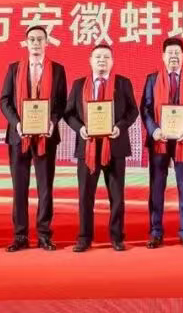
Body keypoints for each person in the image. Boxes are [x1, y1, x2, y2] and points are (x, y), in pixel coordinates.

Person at [64, 44, 139, 252]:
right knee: (85, 196)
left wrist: (119, 127)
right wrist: (80, 128)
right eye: (98, 57)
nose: (102, 60)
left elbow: (133, 111)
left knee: (117, 196)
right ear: (90, 61)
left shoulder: (122, 83)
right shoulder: (79, 84)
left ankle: (117, 237)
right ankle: (84, 238)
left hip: (115, 147)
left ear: (112, 61)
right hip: (87, 147)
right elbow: (68, 113)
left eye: (106, 57)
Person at [0, 26, 68, 252]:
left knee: (45, 188)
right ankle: (20, 235)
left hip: (46, 136)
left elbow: (61, 102)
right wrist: (17, 123)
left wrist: (52, 121)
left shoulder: (57, 69)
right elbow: (5, 101)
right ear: (26, 43)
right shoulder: (14, 69)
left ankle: (44, 234)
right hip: (18, 136)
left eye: (40, 39)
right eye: (32, 39)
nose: (36, 43)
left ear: (47, 43)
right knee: (19, 188)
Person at [141, 37, 183, 249]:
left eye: (177, 53)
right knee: (156, 188)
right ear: (163, 56)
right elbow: (146, 109)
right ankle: (155, 232)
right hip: (159, 140)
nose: (174, 57)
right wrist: (154, 130)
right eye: (170, 53)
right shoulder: (152, 79)